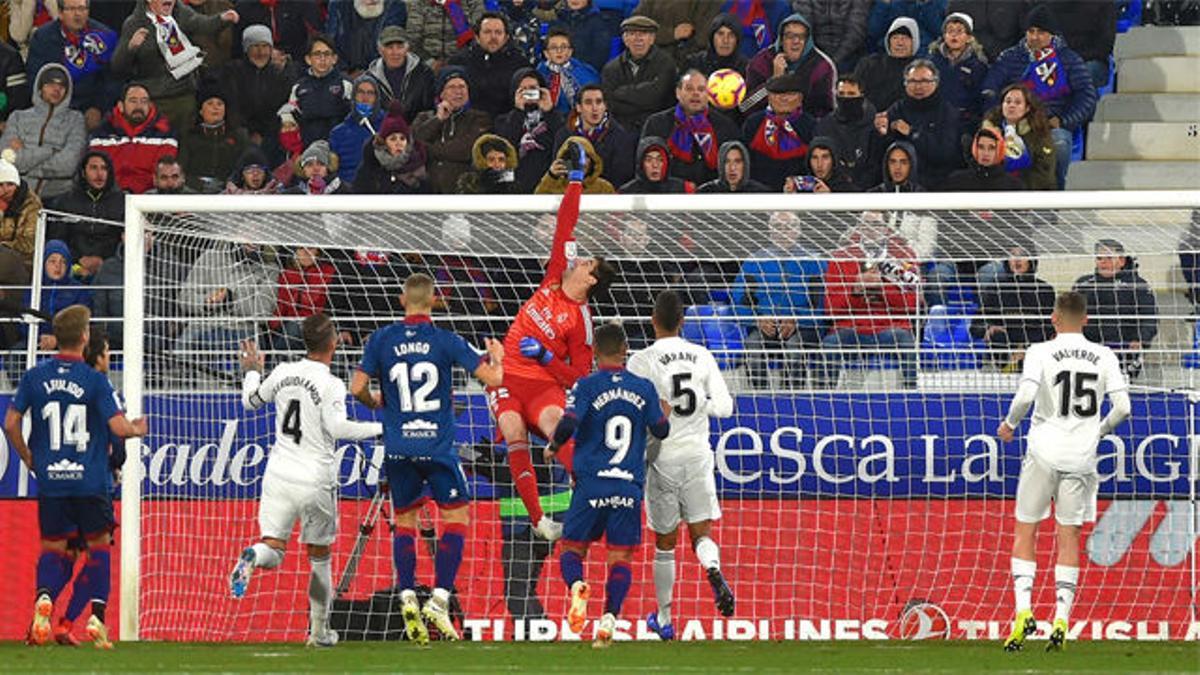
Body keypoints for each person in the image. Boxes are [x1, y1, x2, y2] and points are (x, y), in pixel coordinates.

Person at [349, 273, 505, 644]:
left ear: (402, 300)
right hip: (437, 447)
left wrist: (377, 404)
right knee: (456, 517)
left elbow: (356, 387)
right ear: (435, 301)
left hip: (400, 447)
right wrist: (496, 358)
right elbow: (494, 380)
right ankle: (439, 597)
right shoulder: (446, 340)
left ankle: (406, 594)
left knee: (404, 521)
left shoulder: (381, 339)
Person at [227, 314, 384, 648]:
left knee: (273, 547)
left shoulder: (283, 372)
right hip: (315, 478)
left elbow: (250, 401)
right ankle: (319, 632)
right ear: (333, 343)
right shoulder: (331, 384)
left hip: (279, 474)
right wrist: (383, 428)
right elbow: (339, 429)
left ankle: (253, 555)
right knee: (320, 555)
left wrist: (252, 369)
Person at [491, 145, 616, 541]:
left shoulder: (582, 323)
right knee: (512, 429)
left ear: (592, 281)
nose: (580, 261)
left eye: (587, 265)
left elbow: (579, 376)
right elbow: (566, 223)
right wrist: (576, 181)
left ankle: (591, 499)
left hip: (544, 385)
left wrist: (546, 356)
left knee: (554, 426)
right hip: (508, 375)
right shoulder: (554, 276)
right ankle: (539, 520)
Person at [996, 290, 1131, 652]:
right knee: (1067, 536)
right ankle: (1060, 618)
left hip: (1043, 452)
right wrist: (1098, 431)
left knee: (1026, 531)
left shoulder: (1040, 351)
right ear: (1086, 320)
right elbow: (1123, 407)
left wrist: (1009, 424)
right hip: (1081, 458)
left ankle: (1023, 612)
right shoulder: (1104, 355)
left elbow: (1025, 397)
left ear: (1054, 318)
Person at [7, 305, 148, 649]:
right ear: (84, 338)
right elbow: (117, 428)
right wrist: (135, 428)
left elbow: (10, 423)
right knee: (99, 549)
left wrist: (28, 457)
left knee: (55, 549)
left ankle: (44, 598)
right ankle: (96, 619)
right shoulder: (94, 380)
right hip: (89, 482)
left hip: (52, 482)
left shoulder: (34, 377)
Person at [547, 321, 669, 648]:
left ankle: (577, 586)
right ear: (625, 350)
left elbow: (570, 421)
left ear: (596, 353)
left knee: (572, 549)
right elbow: (661, 431)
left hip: (591, 486)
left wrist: (554, 446)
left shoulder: (586, 385)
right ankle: (609, 620)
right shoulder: (643, 388)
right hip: (628, 487)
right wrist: (663, 414)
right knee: (620, 559)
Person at [626, 291, 734, 640]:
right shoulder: (702, 356)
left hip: (662, 458)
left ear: (652, 320)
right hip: (699, 456)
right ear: (683, 322)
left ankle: (664, 618)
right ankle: (713, 569)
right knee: (701, 533)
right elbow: (725, 408)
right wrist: (700, 402)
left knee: (665, 544)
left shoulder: (640, 360)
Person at [980, 5, 1096, 190]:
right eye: (1031, 31)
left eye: (1041, 32)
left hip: (1049, 125)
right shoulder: (1010, 57)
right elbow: (989, 89)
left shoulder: (1068, 59)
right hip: (1010, 123)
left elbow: (1087, 96)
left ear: (1052, 34)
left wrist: (1064, 120)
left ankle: (1052, 200)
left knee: (1058, 143)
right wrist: (995, 118)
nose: (1034, 37)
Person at [820, 218, 921, 388]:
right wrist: (855, 289)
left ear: (886, 228)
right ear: (858, 228)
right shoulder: (841, 257)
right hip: (851, 327)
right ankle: (824, 399)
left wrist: (882, 288)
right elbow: (831, 308)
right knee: (829, 344)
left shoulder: (904, 256)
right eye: (865, 224)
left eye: (876, 224)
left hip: (890, 327)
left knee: (905, 340)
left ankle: (912, 395)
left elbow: (912, 305)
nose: (870, 229)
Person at [110, 0, 239, 133]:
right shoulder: (134, 23)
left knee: (183, 143)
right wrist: (131, 48)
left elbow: (202, 24)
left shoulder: (181, 13)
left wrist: (223, 18)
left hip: (183, 95)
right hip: (154, 98)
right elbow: (117, 66)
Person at [731, 211, 826, 388]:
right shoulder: (754, 262)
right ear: (770, 231)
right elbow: (737, 302)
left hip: (802, 327)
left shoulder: (815, 261)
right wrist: (756, 319)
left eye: (789, 227)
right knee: (752, 347)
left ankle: (792, 400)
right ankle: (760, 398)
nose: (783, 232)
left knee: (794, 348)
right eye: (778, 228)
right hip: (765, 325)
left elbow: (822, 304)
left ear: (798, 230)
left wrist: (797, 319)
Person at [25, 0, 120, 131]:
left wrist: (98, 107)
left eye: (82, 9)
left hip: (90, 107)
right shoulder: (42, 37)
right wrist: (50, 108)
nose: (78, 14)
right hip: (54, 107)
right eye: (71, 9)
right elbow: (35, 78)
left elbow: (112, 79)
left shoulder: (104, 36)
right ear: (60, 13)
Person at [1072, 239, 1159, 380]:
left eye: (1108, 258)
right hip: (1087, 351)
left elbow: (1150, 317)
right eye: (1099, 258)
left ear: (1122, 261)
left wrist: (1141, 339)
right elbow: (1070, 316)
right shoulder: (1082, 284)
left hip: (1124, 351)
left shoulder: (1138, 285)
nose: (1103, 262)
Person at [1, 63, 86, 200]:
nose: (56, 89)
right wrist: (51, 151)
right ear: (40, 87)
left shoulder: (76, 119)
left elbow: (69, 165)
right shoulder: (17, 117)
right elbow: (7, 158)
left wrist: (26, 165)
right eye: (50, 84)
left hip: (59, 197)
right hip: (17, 195)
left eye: (62, 86)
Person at [641, 69, 741, 186]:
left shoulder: (725, 126)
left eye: (701, 89)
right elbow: (644, 168)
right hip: (668, 195)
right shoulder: (656, 123)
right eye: (689, 89)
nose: (695, 94)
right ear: (678, 93)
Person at [872, 59, 961, 188]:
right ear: (905, 83)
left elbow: (945, 154)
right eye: (912, 81)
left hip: (936, 183)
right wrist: (881, 134)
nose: (918, 86)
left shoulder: (947, 112)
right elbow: (882, 154)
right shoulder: (897, 109)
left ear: (935, 83)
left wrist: (912, 133)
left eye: (924, 81)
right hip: (900, 185)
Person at [970, 244, 1056, 371]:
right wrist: (987, 328)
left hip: (1034, 351)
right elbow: (975, 326)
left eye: (1022, 256)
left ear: (1032, 261)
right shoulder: (995, 288)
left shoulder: (1045, 290)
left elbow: (1050, 327)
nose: (1016, 260)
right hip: (1003, 353)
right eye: (1013, 256)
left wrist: (1026, 350)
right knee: (997, 336)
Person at [411, 67, 492, 194]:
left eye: (462, 87)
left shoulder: (479, 118)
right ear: (441, 93)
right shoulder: (424, 117)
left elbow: (465, 150)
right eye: (452, 87)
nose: (458, 92)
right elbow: (413, 144)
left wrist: (427, 149)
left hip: (463, 192)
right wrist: (438, 120)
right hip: (426, 192)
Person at [222, 24, 298, 160]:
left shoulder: (280, 75)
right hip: (241, 135)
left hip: (271, 135)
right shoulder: (233, 71)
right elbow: (232, 106)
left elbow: (281, 108)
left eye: (265, 46)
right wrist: (249, 132)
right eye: (255, 46)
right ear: (246, 48)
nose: (261, 52)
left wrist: (263, 134)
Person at [741, 12, 836, 118]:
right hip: (765, 124)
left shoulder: (822, 66)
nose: (796, 41)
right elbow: (745, 106)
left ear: (808, 41)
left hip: (805, 126)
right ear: (781, 39)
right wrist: (774, 80)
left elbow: (825, 112)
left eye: (801, 36)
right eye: (790, 36)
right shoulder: (761, 62)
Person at [88, 82, 177, 194]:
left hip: (149, 198)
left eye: (144, 101)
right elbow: (97, 172)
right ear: (120, 106)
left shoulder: (165, 133)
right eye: (133, 101)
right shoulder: (102, 133)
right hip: (110, 195)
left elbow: (162, 175)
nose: (139, 106)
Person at [47, 152, 124, 278]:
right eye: (93, 168)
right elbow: (57, 238)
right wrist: (79, 259)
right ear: (83, 172)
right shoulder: (65, 201)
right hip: (72, 263)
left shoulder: (122, 201)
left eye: (104, 168)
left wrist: (103, 259)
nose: (99, 174)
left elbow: (121, 241)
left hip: (109, 265)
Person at [601, 14, 678, 133]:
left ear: (652, 39)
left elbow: (657, 98)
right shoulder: (611, 68)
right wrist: (645, 94)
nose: (638, 39)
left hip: (657, 128)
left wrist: (621, 93)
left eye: (644, 33)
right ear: (625, 40)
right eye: (632, 34)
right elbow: (610, 104)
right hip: (622, 129)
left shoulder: (666, 64)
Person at [448, 12, 532, 119]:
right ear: (477, 37)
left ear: (506, 38)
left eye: (498, 32)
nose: (493, 37)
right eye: (487, 32)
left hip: (508, 125)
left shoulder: (520, 64)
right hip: (467, 124)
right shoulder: (460, 62)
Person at [553, 84, 637, 189]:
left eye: (599, 102)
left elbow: (622, 178)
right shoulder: (563, 136)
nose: (594, 108)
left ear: (605, 106)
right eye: (588, 102)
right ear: (578, 107)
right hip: (571, 194)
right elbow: (560, 172)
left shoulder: (621, 137)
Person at [741, 73, 816, 192]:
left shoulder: (811, 126)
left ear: (800, 98)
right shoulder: (753, 123)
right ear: (769, 97)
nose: (783, 98)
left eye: (790, 94)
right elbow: (744, 163)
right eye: (777, 93)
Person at [494, 68, 565, 193]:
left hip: (549, 184)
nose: (528, 93)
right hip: (514, 187)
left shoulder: (556, 118)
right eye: (523, 89)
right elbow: (504, 148)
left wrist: (550, 111)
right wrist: (518, 112)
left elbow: (563, 144)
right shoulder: (502, 120)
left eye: (532, 88)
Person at [278, 33, 353, 148]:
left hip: (339, 147)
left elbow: (353, 118)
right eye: (317, 54)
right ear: (308, 59)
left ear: (334, 59)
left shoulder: (346, 84)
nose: (322, 59)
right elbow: (290, 119)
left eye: (327, 54)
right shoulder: (298, 87)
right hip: (308, 148)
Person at [177, 78, 248, 193]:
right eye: (210, 103)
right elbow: (180, 171)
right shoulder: (189, 136)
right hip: (194, 190)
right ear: (201, 111)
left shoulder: (239, 136)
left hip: (229, 191)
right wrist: (199, 185)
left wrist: (230, 183)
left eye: (220, 104)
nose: (216, 107)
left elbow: (244, 167)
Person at [981, 82, 1056, 190]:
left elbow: (1044, 171)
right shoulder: (987, 132)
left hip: (1031, 193)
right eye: (1008, 101)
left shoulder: (1040, 132)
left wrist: (1016, 188)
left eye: (1018, 102)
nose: (1012, 105)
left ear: (1027, 108)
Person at [24, 239, 92, 352]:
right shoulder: (33, 288)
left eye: (63, 262)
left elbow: (81, 324)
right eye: (52, 261)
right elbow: (23, 321)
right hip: (36, 342)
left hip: (69, 344)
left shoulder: (79, 290)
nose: (58, 266)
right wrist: (39, 338)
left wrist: (58, 340)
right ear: (43, 263)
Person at [814, 74, 877, 190]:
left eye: (851, 94)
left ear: (862, 96)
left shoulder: (874, 125)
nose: (846, 98)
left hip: (868, 193)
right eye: (841, 94)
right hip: (831, 191)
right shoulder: (824, 126)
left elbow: (875, 166)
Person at [928, 11, 988, 131]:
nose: (954, 35)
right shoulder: (931, 62)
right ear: (944, 36)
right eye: (950, 31)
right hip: (933, 119)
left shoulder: (978, 66)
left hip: (964, 122)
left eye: (959, 31)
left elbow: (979, 99)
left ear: (969, 37)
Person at [353, 102, 430, 195]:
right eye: (393, 139)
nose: (398, 143)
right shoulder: (371, 168)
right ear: (384, 143)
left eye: (402, 138)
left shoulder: (420, 167)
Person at [365, 26, 435, 118]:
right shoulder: (369, 79)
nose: (395, 52)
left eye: (400, 47)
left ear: (407, 48)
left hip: (417, 129)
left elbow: (429, 110)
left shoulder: (424, 73)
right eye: (390, 47)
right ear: (381, 50)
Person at [854, 16, 919, 114]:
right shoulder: (869, 63)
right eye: (895, 38)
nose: (900, 43)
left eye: (905, 38)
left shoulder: (921, 69)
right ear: (888, 41)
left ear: (914, 42)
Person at [328, 74, 385, 185]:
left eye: (370, 93)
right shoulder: (338, 133)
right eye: (360, 92)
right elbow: (332, 169)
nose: (365, 97)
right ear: (354, 96)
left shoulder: (388, 126)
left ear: (377, 97)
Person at [324, 0, 407, 73]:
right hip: (343, 74)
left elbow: (391, 48)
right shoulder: (338, 6)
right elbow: (330, 45)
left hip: (382, 74)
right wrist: (345, 74)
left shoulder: (396, 7)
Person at [790, 0, 872, 73]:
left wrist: (833, 62)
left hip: (849, 56)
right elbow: (804, 28)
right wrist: (819, 59)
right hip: (814, 54)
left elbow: (856, 31)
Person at [537, 27, 600, 116]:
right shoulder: (539, 74)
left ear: (570, 51)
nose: (559, 51)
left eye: (563, 47)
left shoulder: (585, 71)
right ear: (546, 53)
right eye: (554, 47)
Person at [940, 126, 1025, 191]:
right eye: (981, 147)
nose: (985, 153)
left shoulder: (1013, 186)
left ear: (1000, 150)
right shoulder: (957, 181)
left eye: (991, 148)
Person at [405, 0, 485, 68]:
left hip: (463, 65)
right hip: (426, 67)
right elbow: (412, 40)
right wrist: (430, 62)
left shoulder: (472, 3)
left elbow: (479, 36)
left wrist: (459, 61)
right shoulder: (420, 4)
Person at [0, 158, 43, 272]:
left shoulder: (32, 205)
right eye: (0, 185)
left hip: (23, 263)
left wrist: (3, 247)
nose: (5, 190)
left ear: (17, 184)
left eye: (10, 184)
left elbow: (29, 244)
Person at [547, 0, 612, 73]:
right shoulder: (557, 20)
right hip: (557, 71)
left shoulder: (599, 22)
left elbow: (600, 57)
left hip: (586, 74)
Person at [536, 136, 616, 194]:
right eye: (573, 157)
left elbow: (615, 214)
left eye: (586, 157)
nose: (581, 162)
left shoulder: (603, 187)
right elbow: (536, 206)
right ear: (564, 160)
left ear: (593, 160)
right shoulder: (553, 184)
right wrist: (551, 176)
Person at [619, 135, 695, 193]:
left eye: (660, 160)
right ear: (641, 164)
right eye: (649, 160)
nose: (655, 165)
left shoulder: (684, 190)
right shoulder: (625, 193)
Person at [684, 13, 749, 77]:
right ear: (712, 37)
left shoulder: (747, 68)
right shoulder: (694, 64)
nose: (725, 40)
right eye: (720, 34)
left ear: (737, 40)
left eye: (731, 35)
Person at [456, 133, 521, 195]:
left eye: (501, 160)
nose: (497, 164)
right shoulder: (469, 186)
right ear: (481, 160)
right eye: (491, 160)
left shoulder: (514, 187)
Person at [787, 136, 857, 192]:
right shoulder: (802, 188)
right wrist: (788, 198)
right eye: (814, 158)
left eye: (825, 157)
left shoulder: (848, 190)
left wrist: (829, 199)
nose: (819, 164)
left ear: (834, 160)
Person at [696, 140, 769, 192]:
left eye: (737, 161)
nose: (732, 168)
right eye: (727, 162)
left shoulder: (761, 193)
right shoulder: (706, 192)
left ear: (745, 165)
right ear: (720, 165)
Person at [283, 140, 352, 195]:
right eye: (309, 165)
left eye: (321, 164)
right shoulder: (291, 195)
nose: (316, 168)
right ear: (303, 169)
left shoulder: (347, 192)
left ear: (328, 167)